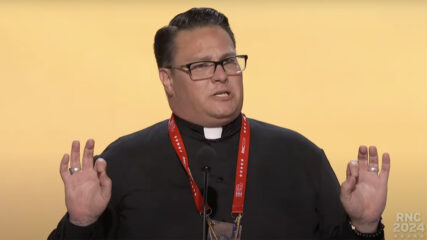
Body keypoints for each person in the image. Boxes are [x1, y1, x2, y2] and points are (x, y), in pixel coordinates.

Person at [49, 7, 391, 240]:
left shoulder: (300, 156)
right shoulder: (121, 162)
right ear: (167, 80)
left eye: (229, 61)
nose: (221, 76)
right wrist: (81, 222)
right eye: (201, 66)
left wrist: (365, 225)